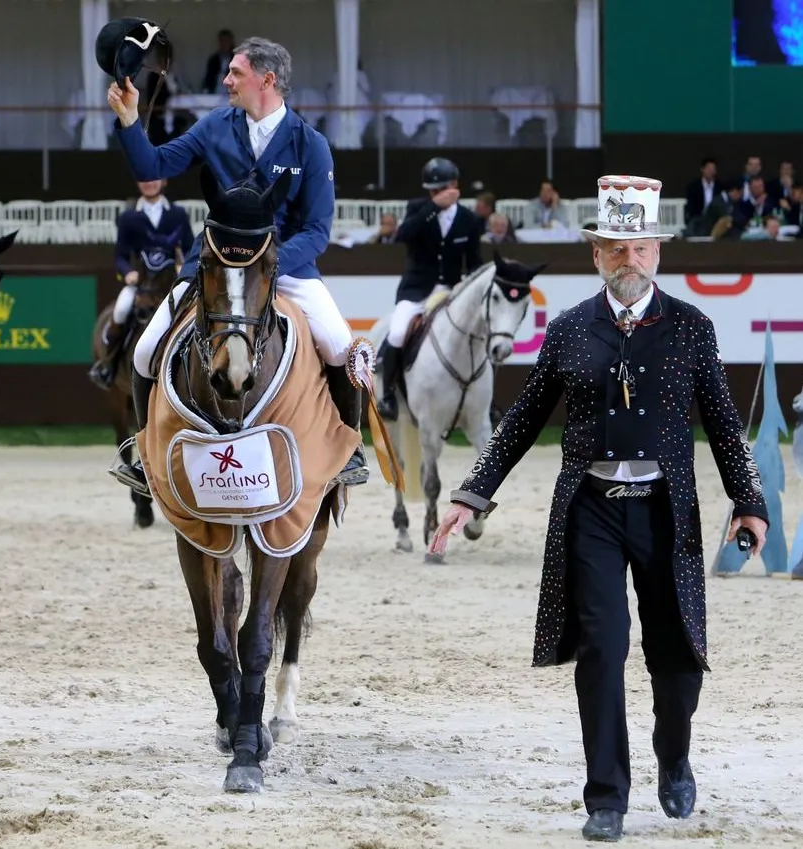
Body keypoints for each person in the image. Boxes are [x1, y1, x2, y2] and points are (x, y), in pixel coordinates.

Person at [429, 175, 769, 842]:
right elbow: (523, 420)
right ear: (596, 255)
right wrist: (470, 494)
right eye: (615, 248)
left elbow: (725, 426)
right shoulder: (567, 331)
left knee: (674, 656)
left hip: (666, 509)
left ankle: (674, 754)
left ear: (658, 253)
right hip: (590, 509)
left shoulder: (693, 330)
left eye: (639, 247)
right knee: (602, 647)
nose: (628, 260)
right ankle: (606, 795)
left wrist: (749, 501)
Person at [97, 21, 367, 491]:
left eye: (235, 73)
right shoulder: (214, 127)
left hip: (283, 267)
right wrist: (128, 119)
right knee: (144, 351)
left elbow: (318, 231)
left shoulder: (311, 144)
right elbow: (152, 165)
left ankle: (348, 447)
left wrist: (266, 262)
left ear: (266, 80)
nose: (226, 81)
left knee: (343, 349)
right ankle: (144, 451)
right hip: (214, 264)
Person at [376, 157, 483, 420]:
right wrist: (434, 206)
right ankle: (388, 394)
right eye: (432, 191)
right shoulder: (418, 209)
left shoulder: (469, 220)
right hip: (416, 290)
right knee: (398, 332)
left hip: (451, 290)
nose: (436, 194)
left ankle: (485, 400)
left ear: (455, 185)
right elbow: (403, 236)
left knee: (481, 333)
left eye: (441, 189)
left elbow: (475, 263)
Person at [89, 178, 193, 388]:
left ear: (163, 181)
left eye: (154, 178)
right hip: (142, 283)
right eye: (144, 179)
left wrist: (185, 267)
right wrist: (128, 273)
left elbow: (191, 248)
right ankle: (108, 364)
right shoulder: (129, 217)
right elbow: (120, 255)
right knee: (120, 310)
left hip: (170, 282)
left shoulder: (177, 214)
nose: (149, 184)